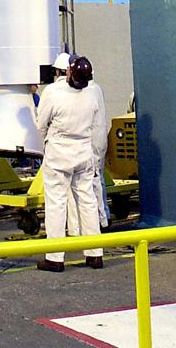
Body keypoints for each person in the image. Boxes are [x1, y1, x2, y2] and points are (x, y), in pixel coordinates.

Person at [35, 55, 106, 273]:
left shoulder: (53, 93)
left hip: (59, 153)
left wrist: (44, 145)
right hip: (83, 152)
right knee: (88, 201)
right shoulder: (92, 96)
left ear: (68, 73)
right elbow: (96, 127)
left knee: (56, 203)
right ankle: (95, 254)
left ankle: (55, 257)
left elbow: (41, 124)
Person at [65, 54, 109, 232]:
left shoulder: (87, 92)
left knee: (92, 183)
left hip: (91, 142)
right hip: (96, 141)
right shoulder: (95, 89)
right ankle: (102, 218)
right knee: (97, 180)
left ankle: (101, 220)